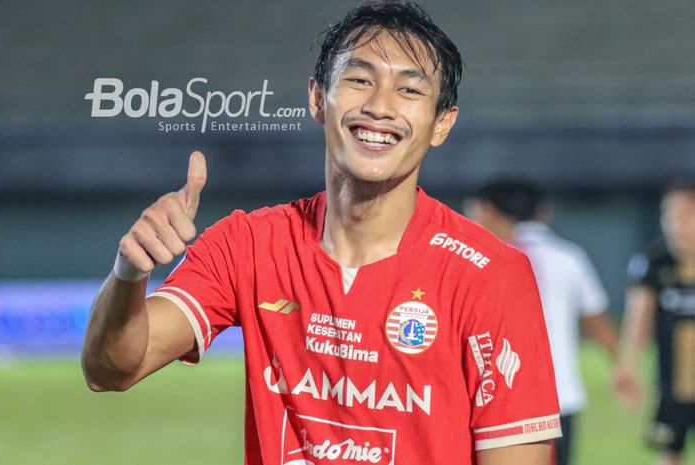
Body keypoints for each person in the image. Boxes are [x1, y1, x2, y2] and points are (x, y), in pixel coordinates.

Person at [81, 2, 562, 463]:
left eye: (410, 91)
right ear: (317, 98)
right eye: (359, 80)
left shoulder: (491, 273)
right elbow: (111, 369)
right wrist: (129, 273)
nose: (379, 106)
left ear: (441, 124)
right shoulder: (247, 245)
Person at [467, 180, 620, 465]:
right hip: (560, 394)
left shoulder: (477, 256)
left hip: (494, 395)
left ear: (488, 211)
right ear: (542, 212)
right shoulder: (569, 256)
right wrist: (620, 364)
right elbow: (596, 318)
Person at [615, 181, 695, 465]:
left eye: (684, 215)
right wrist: (628, 364)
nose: (674, 225)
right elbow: (639, 317)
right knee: (670, 452)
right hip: (673, 384)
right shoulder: (655, 262)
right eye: (668, 216)